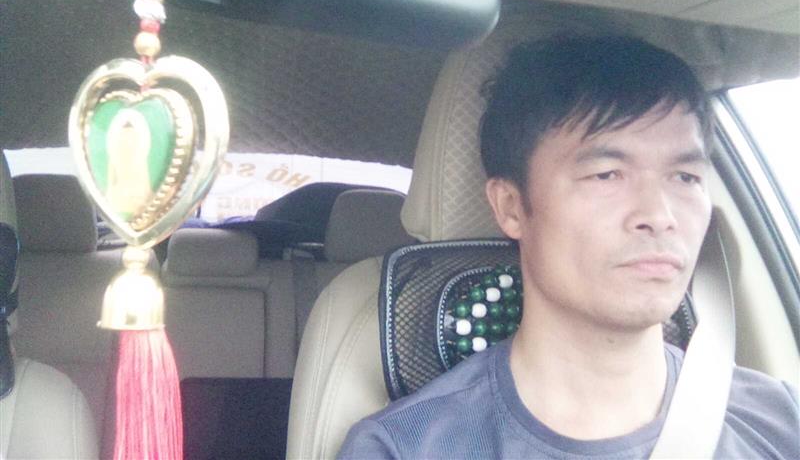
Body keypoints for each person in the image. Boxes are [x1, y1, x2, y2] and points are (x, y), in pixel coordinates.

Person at [338, 37, 799, 459]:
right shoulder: (404, 450)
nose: (660, 215)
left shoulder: (782, 420)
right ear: (511, 206)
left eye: (685, 177)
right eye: (606, 174)